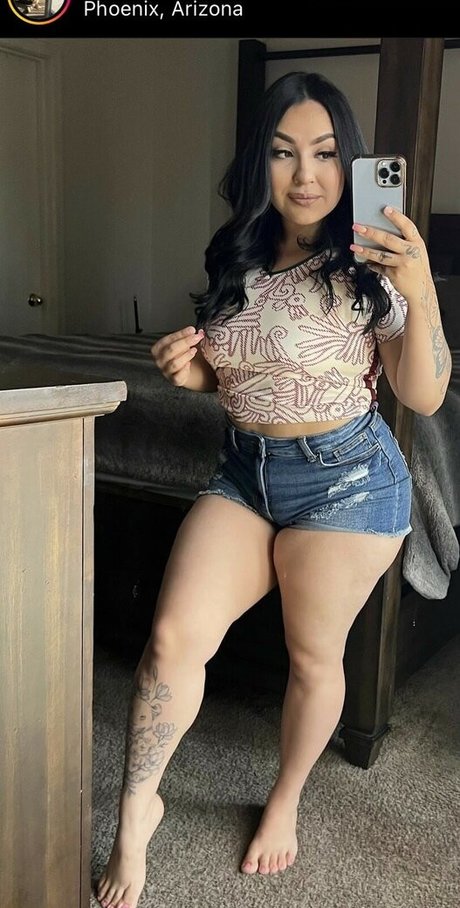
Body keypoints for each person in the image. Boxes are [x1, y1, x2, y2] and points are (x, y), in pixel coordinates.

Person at [97, 71, 451, 908]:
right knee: (171, 640)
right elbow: (237, 377)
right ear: (260, 162)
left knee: (312, 657)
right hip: (245, 471)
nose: (306, 175)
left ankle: (284, 800)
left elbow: (425, 393)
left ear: (349, 163)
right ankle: (137, 808)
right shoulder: (239, 252)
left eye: (325, 154)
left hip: (347, 482)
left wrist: (422, 285)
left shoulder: (370, 263)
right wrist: (189, 372)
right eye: (285, 153)